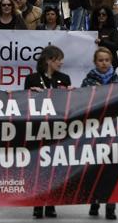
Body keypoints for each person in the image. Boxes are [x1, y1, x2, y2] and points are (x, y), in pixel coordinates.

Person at [24, 45, 71, 219]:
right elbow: (23, 105)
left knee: (55, 169)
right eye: (58, 59)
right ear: (48, 60)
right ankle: (37, 204)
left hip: (57, 129)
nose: (61, 62)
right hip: (38, 130)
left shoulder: (64, 79)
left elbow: (70, 105)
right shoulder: (32, 79)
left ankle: (51, 203)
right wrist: (31, 94)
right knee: (38, 169)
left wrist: (72, 94)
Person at [81, 47, 118, 220]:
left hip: (112, 131)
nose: (104, 63)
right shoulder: (88, 82)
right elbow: (81, 103)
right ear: (95, 62)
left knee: (111, 170)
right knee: (94, 169)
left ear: (111, 61)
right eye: (100, 60)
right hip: (94, 131)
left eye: (107, 60)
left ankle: (111, 205)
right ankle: (94, 201)